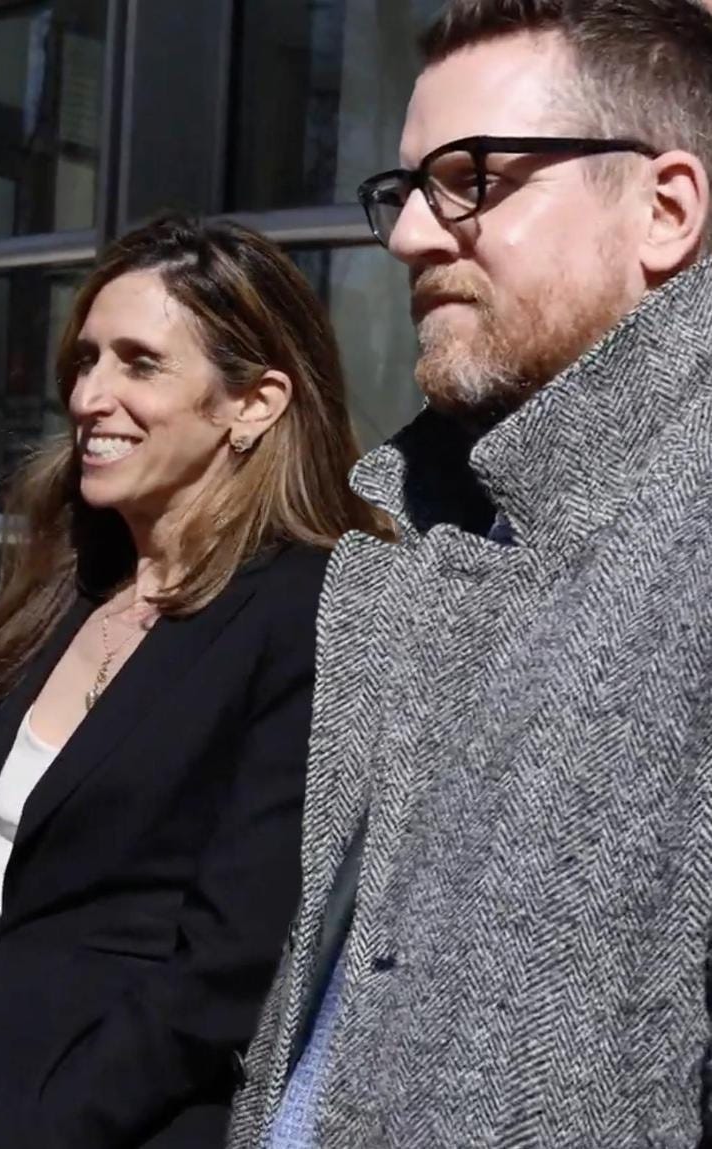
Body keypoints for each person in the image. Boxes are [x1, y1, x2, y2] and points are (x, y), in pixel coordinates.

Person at [226, 2, 712, 1146]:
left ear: (664, 210)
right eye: (407, 189)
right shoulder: (424, 519)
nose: (407, 237)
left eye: (473, 179)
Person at [0, 215, 388, 1149]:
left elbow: (221, 973)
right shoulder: (72, 585)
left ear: (253, 403)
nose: (90, 395)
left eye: (139, 364)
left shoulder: (303, 613)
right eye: (86, 359)